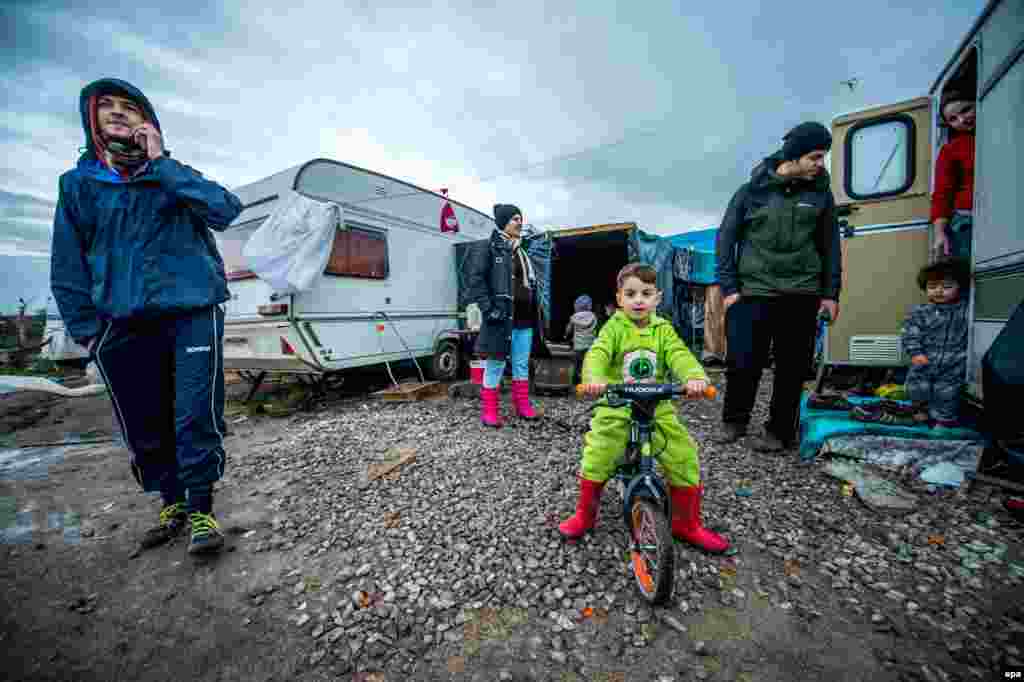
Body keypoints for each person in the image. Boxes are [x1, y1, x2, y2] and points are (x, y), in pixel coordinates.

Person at [50, 78, 243, 555]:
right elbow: (68, 263)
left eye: (129, 107)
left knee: (194, 413)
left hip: (191, 313)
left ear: (147, 121)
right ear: (91, 119)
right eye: (107, 107)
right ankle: (171, 501)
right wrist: (88, 333)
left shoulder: (172, 175)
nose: (118, 113)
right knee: (144, 421)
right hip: (122, 324)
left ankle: (201, 507)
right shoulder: (78, 185)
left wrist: (162, 163)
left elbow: (225, 210)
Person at [559, 264, 728, 553]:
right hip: (618, 404)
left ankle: (686, 523)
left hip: (656, 405)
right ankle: (585, 515)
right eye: (631, 293)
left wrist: (694, 377)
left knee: (682, 453)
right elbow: (598, 352)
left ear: (657, 298)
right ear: (619, 298)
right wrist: (595, 379)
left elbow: (679, 354)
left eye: (646, 293)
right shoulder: (613, 327)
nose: (638, 300)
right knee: (600, 451)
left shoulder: (663, 329)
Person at [715, 121, 842, 452]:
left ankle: (779, 432)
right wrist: (729, 288)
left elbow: (831, 246)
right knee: (743, 362)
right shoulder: (750, 192)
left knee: (792, 368)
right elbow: (725, 240)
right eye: (815, 156)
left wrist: (831, 294)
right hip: (752, 290)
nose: (820, 164)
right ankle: (734, 421)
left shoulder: (821, 195)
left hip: (801, 292)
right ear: (795, 156)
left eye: (822, 157)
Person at [465, 203, 548, 427]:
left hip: (525, 318)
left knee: (521, 364)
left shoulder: (523, 251)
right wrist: (488, 309)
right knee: (496, 364)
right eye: (514, 219)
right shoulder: (488, 247)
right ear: (502, 222)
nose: (519, 222)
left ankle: (523, 406)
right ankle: (490, 411)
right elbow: (475, 281)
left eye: (521, 218)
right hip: (500, 318)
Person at [901, 258, 970, 428]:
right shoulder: (920, 312)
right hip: (925, 359)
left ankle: (944, 421)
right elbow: (910, 334)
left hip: (953, 362)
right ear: (925, 288)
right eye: (932, 287)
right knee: (916, 388)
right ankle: (920, 411)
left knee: (947, 392)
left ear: (959, 287)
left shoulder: (966, 309)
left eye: (947, 287)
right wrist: (915, 353)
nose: (939, 291)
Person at [931, 91, 975, 261]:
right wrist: (939, 233)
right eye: (953, 119)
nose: (962, 120)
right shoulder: (951, 149)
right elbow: (943, 193)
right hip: (967, 219)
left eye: (966, 110)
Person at [564, 295, 598, 386]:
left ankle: (574, 383)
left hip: (578, 346)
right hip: (590, 345)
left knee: (576, 365)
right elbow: (597, 330)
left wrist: (565, 335)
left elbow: (568, 330)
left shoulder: (574, 317)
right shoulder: (593, 316)